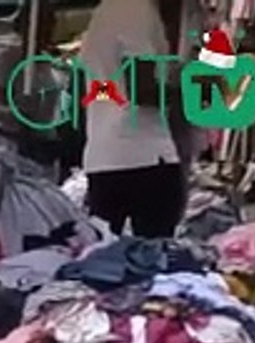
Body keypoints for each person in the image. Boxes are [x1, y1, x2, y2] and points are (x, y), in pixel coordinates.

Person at [80, 0, 186, 237]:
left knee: (104, 256)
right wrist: (196, 90)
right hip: (143, 153)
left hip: (104, 155)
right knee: (155, 254)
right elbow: (142, 89)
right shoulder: (135, 10)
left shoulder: (104, 14)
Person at [0, 2, 63, 169]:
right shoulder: (7, 58)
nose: (49, 30)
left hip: (46, 147)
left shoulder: (48, 61)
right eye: (44, 24)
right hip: (14, 146)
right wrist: (18, 113)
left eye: (51, 24)